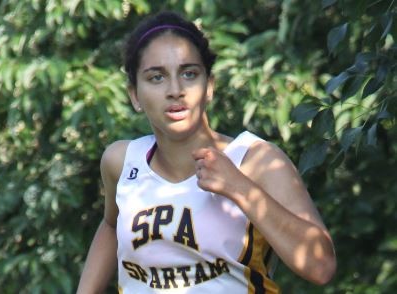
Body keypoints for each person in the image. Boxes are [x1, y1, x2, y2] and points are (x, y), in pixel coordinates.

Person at [77, 11, 336, 294]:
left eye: (189, 74)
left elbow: (321, 266)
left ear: (209, 86)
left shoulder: (255, 160)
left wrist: (240, 188)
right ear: (135, 95)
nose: (175, 90)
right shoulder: (121, 162)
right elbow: (111, 226)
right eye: (156, 77)